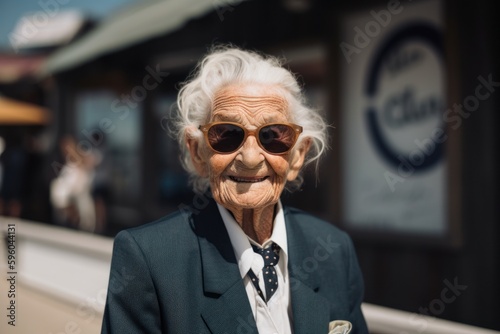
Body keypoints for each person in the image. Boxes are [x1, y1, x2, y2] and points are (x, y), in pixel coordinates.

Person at [101, 46, 368, 334]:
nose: (250, 158)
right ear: (198, 153)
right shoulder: (149, 260)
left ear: (297, 156)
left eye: (273, 136)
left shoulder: (334, 250)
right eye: (227, 135)